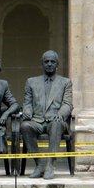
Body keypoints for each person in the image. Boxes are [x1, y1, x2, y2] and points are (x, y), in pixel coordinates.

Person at [21, 50, 73, 179]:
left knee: (56, 124)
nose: (49, 64)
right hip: (37, 121)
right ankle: (39, 165)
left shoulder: (65, 82)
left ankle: (50, 164)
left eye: (52, 62)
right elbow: (27, 102)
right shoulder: (31, 82)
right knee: (25, 126)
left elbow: (67, 103)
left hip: (55, 121)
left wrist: (60, 114)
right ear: (42, 64)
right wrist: (27, 111)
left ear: (57, 65)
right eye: (46, 62)